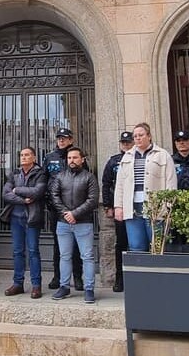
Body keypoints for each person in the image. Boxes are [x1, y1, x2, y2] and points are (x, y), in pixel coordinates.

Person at [113, 123, 176, 254]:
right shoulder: (127, 156)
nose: (138, 138)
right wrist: (118, 206)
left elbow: (171, 182)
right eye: (135, 136)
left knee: (157, 247)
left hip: (156, 209)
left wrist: (168, 206)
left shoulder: (162, 155)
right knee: (136, 247)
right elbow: (120, 183)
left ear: (149, 136)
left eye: (141, 135)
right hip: (132, 209)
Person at [49, 147, 99, 304]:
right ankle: (64, 286)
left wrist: (75, 214)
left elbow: (93, 200)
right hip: (63, 223)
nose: (72, 160)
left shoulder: (89, 177)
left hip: (83, 223)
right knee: (64, 256)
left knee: (87, 256)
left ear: (82, 159)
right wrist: (66, 213)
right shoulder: (60, 177)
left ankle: (89, 288)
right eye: (70, 158)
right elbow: (54, 196)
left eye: (75, 158)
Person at [2, 146, 48, 299]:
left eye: (27, 155)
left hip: (32, 217)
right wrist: (22, 200)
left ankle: (36, 285)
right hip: (16, 217)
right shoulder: (14, 173)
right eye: (21, 155)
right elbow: (5, 194)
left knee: (34, 251)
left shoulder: (40, 173)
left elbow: (37, 192)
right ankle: (18, 284)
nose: (23, 157)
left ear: (34, 158)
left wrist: (17, 190)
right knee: (17, 252)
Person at [43, 127, 82, 291]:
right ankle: (58, 277)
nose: (61, 140)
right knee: (58, 244)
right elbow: (44, 179)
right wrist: (48, 200)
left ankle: (78, 277)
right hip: (56, 208)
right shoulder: (50, 157)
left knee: (76, 244)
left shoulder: (76, 155)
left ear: (71, 140)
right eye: (59, 138)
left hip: (74, 207)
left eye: (64, 138)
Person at [100, 131, 132, 292]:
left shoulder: (138, 159)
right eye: (124, 142)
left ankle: (135, 277)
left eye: (128, 142)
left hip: (136, 207)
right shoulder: (114, 161)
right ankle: (120, 279)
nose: (126, 145)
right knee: (120, 244)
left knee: (137, 244)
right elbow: (106, 184)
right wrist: (107, 206)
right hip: (119, 208)